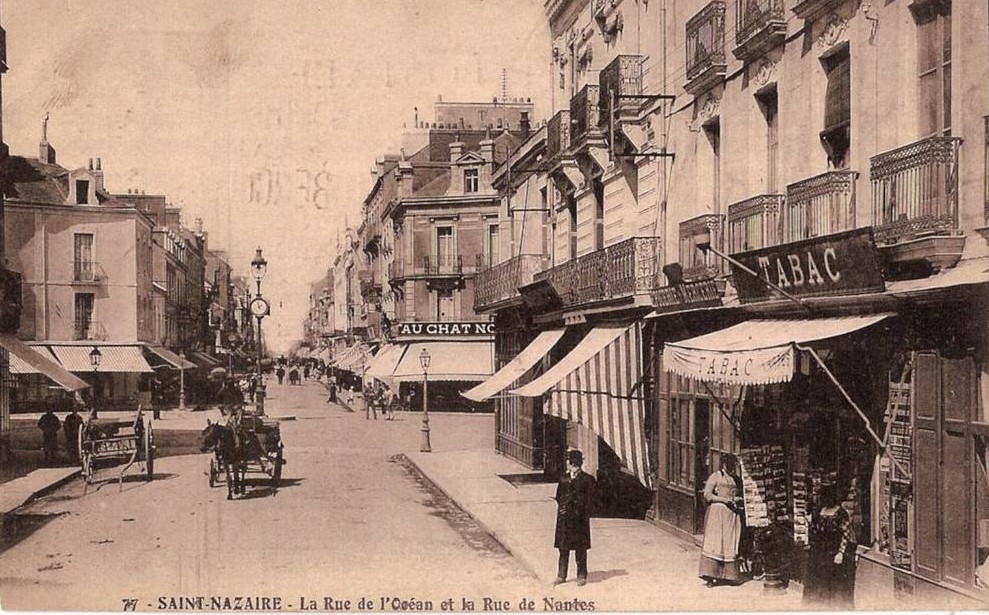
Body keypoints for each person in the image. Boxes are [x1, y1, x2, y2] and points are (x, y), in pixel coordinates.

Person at [803, 483, 856, 608]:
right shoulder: (820, 511)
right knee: (819, 582)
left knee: (834, 583)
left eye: (826, 496)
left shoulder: (840, 513)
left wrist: (840, 553)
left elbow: (846, 534)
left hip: (833, 552)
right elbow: (815, 530)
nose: (824, 499)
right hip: (819, 552)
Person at [699, 453, 745, 586]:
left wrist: (737, 499)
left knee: (730, 542)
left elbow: (739, 494)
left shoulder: (735, 479)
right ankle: (710, 575)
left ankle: (729, 576)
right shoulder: (715, 476)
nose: (731, 468)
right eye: (729, 465)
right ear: (724, 464)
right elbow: (707, 495)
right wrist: (724, 500)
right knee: (716, 542)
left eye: (733, 466)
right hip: (718, 513)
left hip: (731, 515)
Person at [554, 449, 595, 587]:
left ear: (573, 463)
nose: (566, 463)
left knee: (580, 548)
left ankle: (581, 575)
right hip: (565, 519)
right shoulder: (563, 478)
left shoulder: (587, 480)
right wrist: (563, 509)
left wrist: (581, 512)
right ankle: (561, 575)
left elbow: (590, 500)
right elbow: (559, 496)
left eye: (568, 460)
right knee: (563, 548)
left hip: (579, 520)